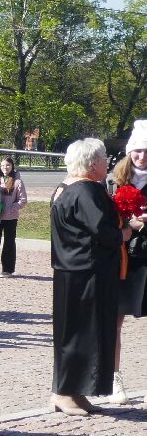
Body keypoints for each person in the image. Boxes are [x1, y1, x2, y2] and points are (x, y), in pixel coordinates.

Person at [50, 138, 139, 415]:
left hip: (73, 270)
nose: (107, 163)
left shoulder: (66, 187)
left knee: (79, 334)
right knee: (79, 336)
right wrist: (130, 228)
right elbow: (106, 233)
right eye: (103, 159)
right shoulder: (86, 191)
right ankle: (63, 392)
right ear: (91, 164)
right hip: (86, 272)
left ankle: (75, 391)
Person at [108, 121, 147, 401]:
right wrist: (127, 223)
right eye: (137, 151)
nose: (142, 157)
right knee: (116, 320)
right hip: (123, 256)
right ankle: (115, 379)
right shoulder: (114, 180)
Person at [0, 157, 28, 277]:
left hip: (10, 218)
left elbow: (23, 200)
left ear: (12, 166)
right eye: (3, 165)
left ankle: (7, 270)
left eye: (8, 165)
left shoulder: (17, 182)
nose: (5, 167)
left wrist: (11, 208)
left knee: (8, 243)